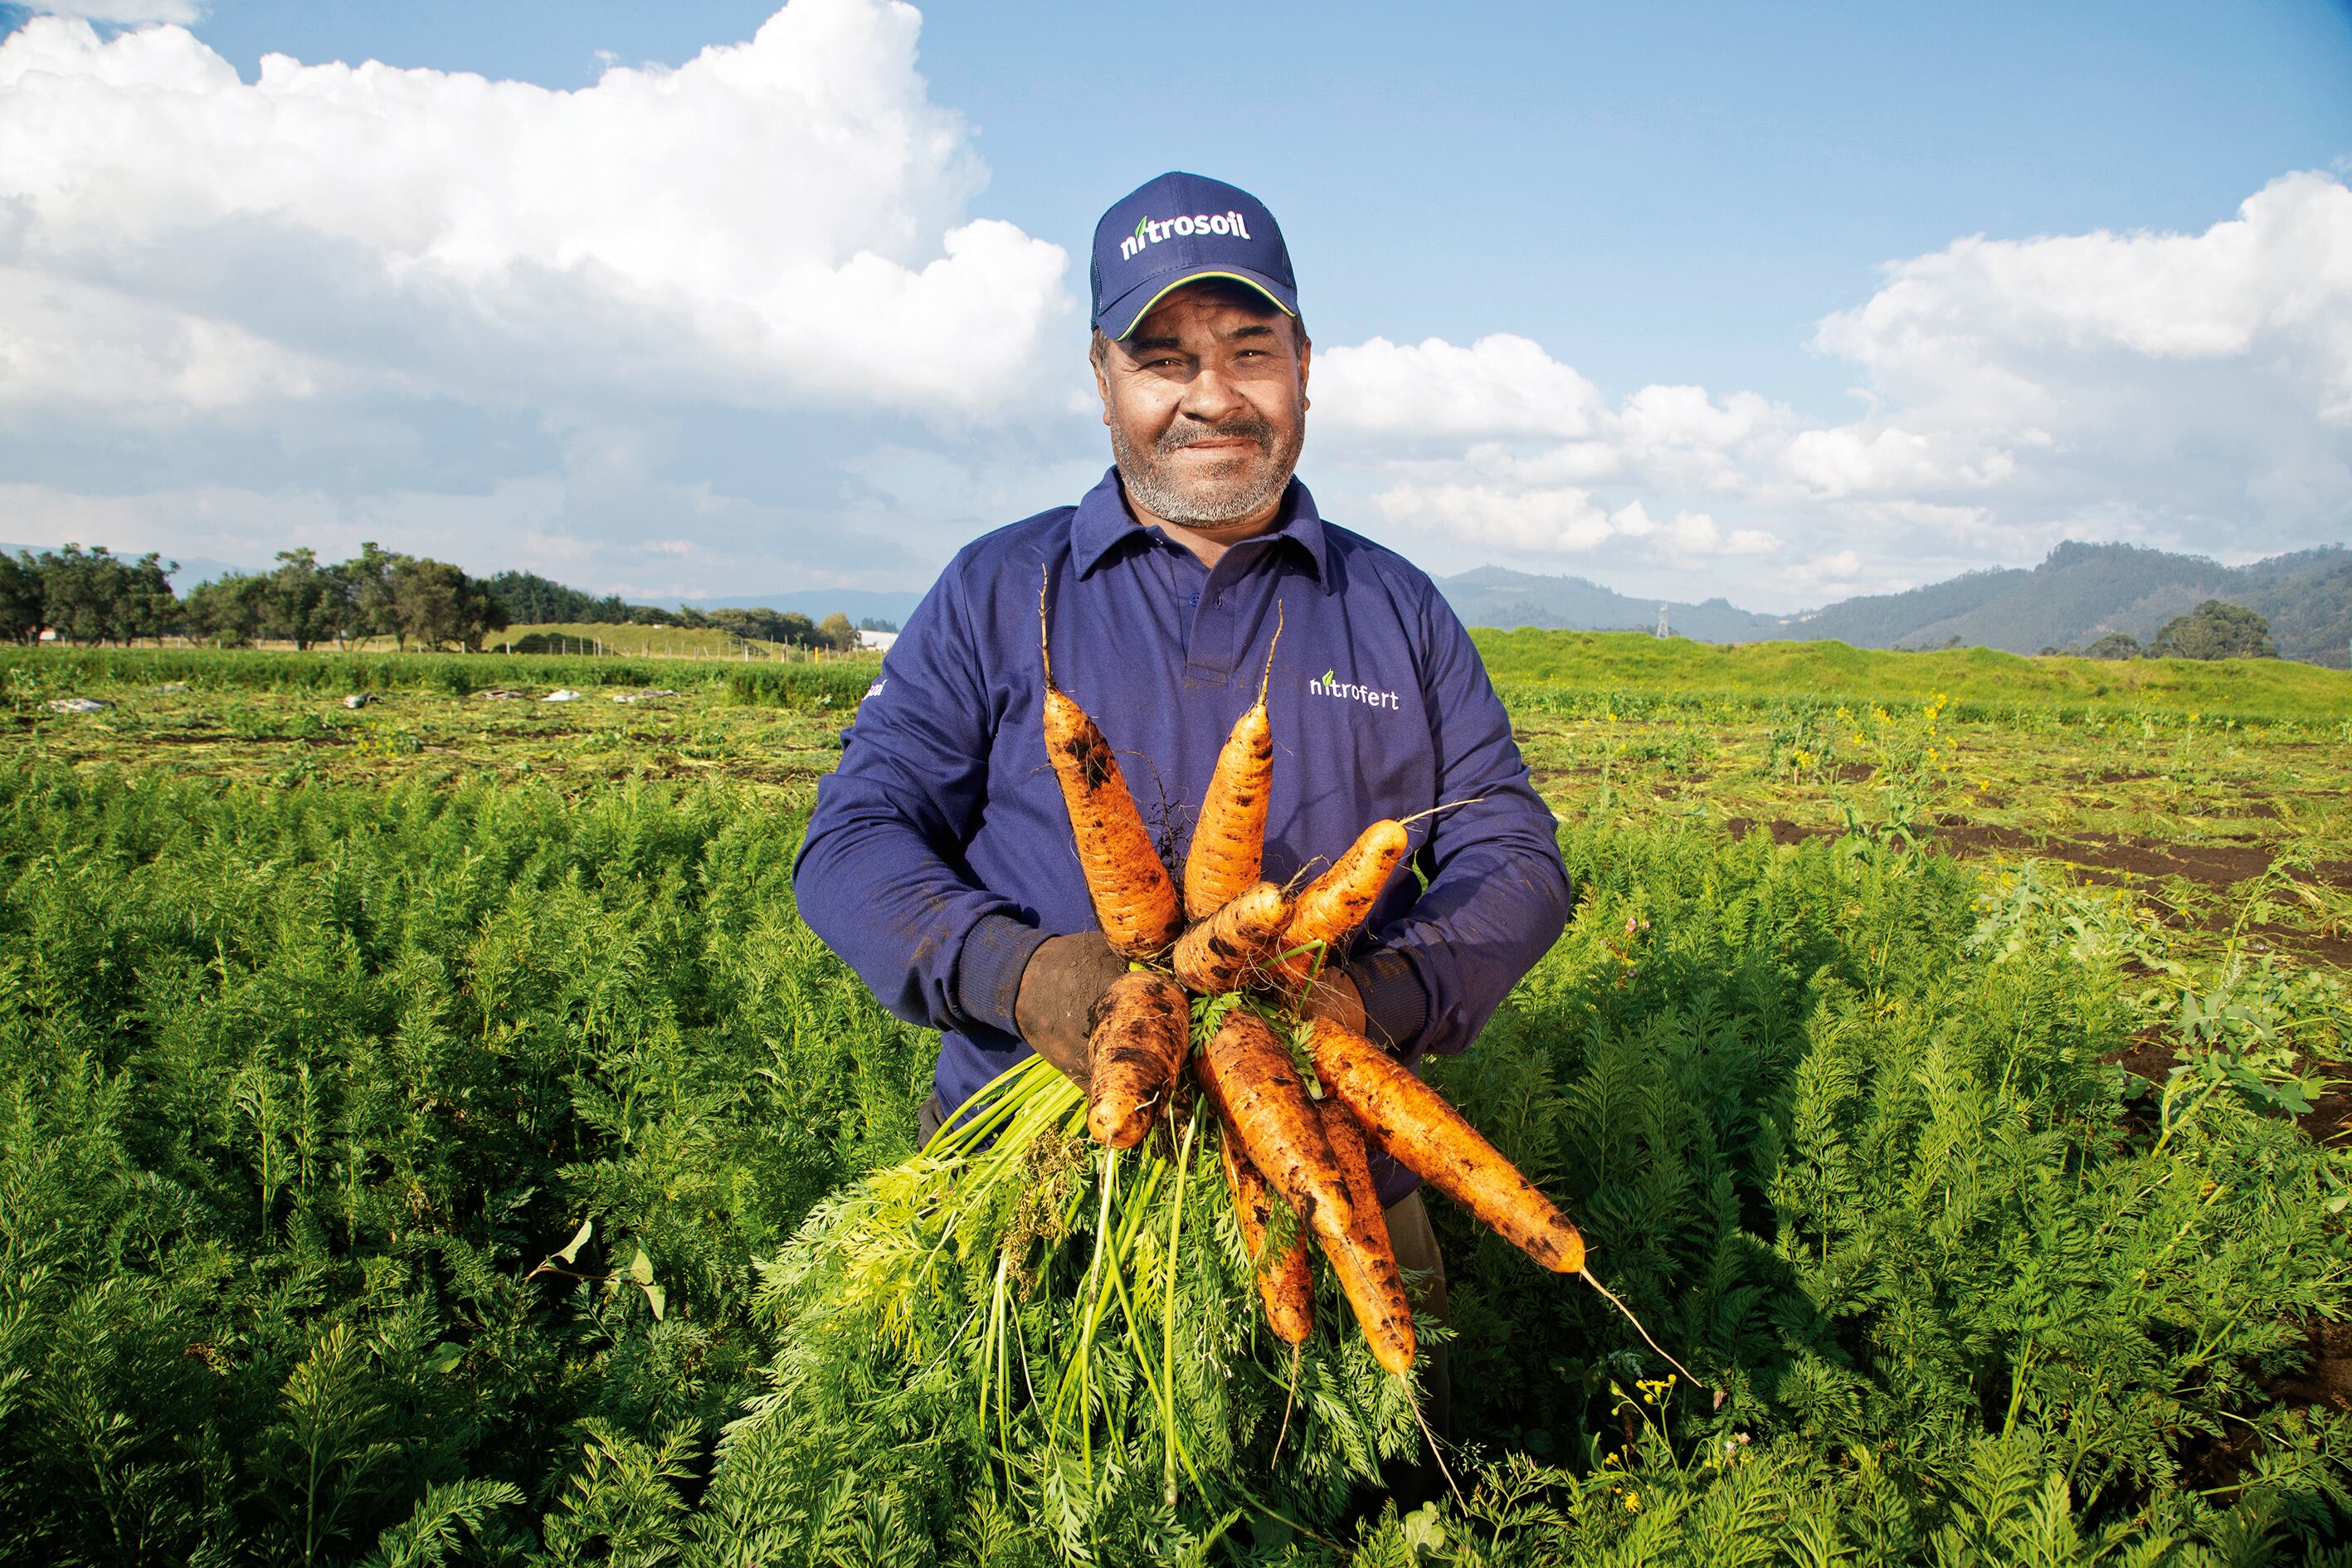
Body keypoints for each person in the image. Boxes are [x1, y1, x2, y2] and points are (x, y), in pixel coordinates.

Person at [793, 172, 1573, 1432]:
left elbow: (1515, 853)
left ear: (1305, 367)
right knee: (1006, 1459)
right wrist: (1029, 975)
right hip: (1044, 1164)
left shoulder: (1395, 607)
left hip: (1336, 1165)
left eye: (1248, 350)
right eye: (1163, 358)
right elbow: (850, 844)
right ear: (1103, 378)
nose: (1212, 395)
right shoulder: (1002, 589)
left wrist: (1383, 995)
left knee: (1382, 1462)